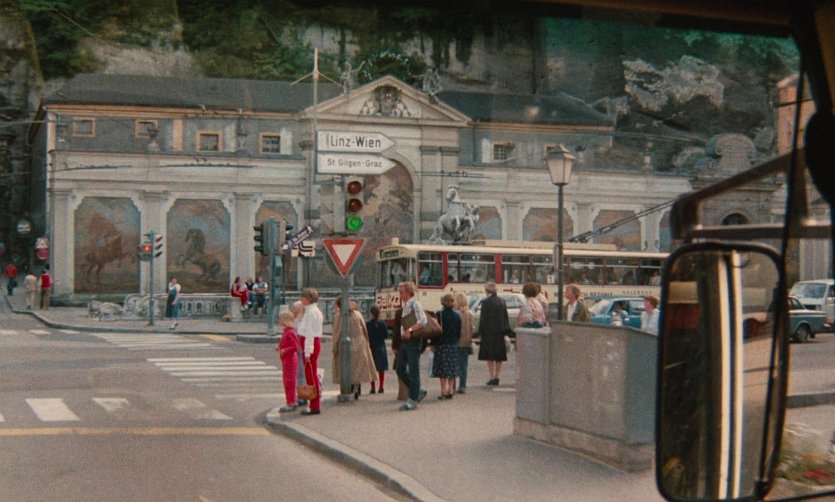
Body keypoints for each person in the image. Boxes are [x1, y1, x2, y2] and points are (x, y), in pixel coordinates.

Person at [332, 298, 378, 399]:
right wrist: (366, 342)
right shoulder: (357, 314)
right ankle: (357, 389)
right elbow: (364, 329)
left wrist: (335, 346)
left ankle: (347, 389)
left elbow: (337, 332)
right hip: (359, 343)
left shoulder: (339, 316)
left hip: (345, 345)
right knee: (357, 368)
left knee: (346, 368)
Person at [395, 281, 428, 411]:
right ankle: (417, 390)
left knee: (414, 370)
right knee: (400, 368)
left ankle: (412, 399)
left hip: (413, 340)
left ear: (408, 293)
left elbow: (423, 321)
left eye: (401, 292)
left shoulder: (415, 304)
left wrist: (410, 330)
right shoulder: (406, 305)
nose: (400, 294)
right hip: (405, 341)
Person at [477, 282, 510, 386]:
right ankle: (497, 376)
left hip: (489, 332)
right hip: (500, 332)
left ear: (487, 290)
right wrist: (506, 331)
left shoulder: (486, 302)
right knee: (499, 355)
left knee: (490, 355)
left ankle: (492, 376)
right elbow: (505, 317)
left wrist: (480, 333)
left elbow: (483, 319)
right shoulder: (502, 301)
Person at [298, 288, 324, 416]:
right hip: (313, 342)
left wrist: (308, 352)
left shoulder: (311, 313)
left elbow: (309, 333)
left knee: (311, 375)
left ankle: (314, 404)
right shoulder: (313, 311)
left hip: (310, 343)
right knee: (311, 373)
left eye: (303, 297)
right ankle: (314, 403)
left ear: (308, 299)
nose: (301, 300)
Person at [431, 293, 461, 399]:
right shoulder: (457, 316)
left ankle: (443, 390)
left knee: (442, 369)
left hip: (441, 344)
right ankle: (450, 389)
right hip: (453, 344)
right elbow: (458, 332)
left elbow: (435, 331)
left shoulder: (439, 315)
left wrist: (433, 344)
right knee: (451, 369)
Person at [276, 310, 300, 413]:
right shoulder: (287, 331)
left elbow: (295, 346)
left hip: (290, 358)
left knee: (289, 381)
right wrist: (280, 346)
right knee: (287, 380)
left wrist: (284, 350)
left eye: (280, 319)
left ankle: (291, 402)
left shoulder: (290, 332)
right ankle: (290, 401)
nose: (279, 320)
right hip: (287, 358)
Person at [454, 291, 474, 394]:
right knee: (464, 365)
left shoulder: (456, 313)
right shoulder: (469, 313)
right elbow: (472, 328)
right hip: (466, 341)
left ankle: (452, 385)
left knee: (453, 364)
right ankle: (462, 385)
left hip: (457, 341)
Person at [366, 305, 389, 394]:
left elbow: (366, 336)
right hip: (381, 347)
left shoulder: (368, 324)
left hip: (372, 347)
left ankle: (373, 388)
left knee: (372, 368)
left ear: (371, 313)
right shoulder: (383, 323)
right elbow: (386, 336)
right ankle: (381, 386)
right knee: (381, 369)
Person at [291, 300, 308, 405]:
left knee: (300, 373)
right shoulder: (297, 320)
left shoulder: (301, 321)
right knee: (300, 373)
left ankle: (302, 396)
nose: (292, 310)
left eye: (294, 308)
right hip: (299, 348)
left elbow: (299, 335)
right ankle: (301, 395)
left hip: (300, 348)